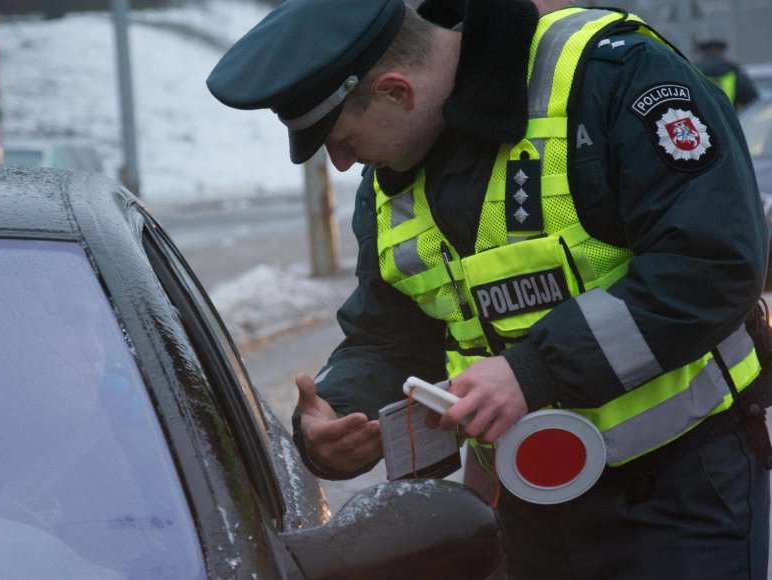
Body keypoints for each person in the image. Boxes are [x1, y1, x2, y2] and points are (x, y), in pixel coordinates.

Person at [208, 0, 772, 578]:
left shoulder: (611, 76)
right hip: (529, 504)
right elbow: (391, 331)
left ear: (397, 91)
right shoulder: (391, 180)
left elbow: (712, 263)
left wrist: (533, 371)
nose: (345, 162)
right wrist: (342, 410)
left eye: (343, 139)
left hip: (683, 490)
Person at [695, 39, 760, 111]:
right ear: (722, 53)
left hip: (699, 121)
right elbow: (754, 105)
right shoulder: (736, 75)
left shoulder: (693, 74)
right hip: (732, 120)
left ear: (702, 53)